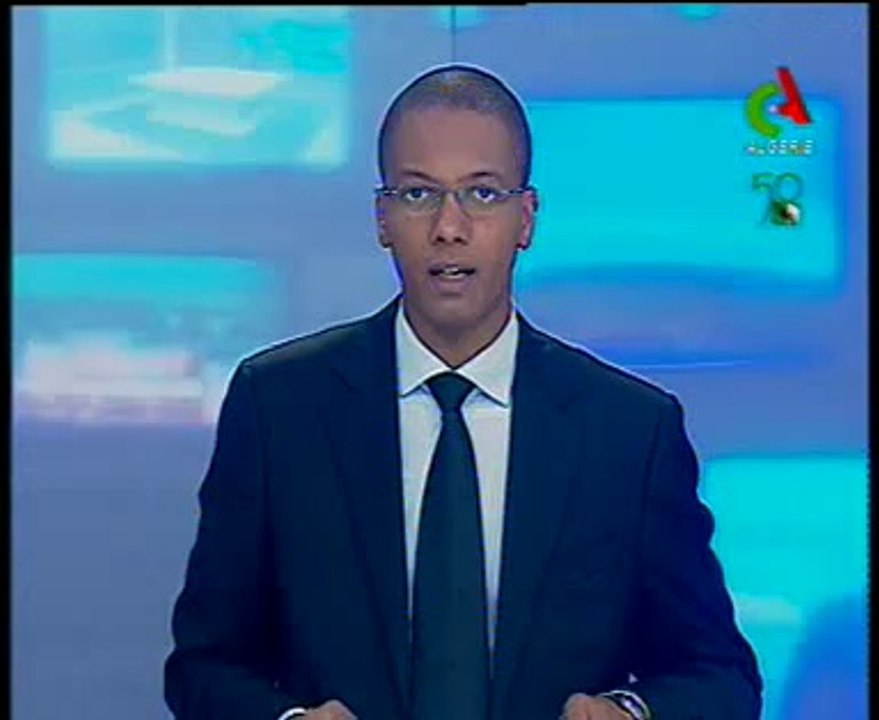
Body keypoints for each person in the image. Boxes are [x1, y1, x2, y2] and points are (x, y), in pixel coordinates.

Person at [164, 64, 763, 720]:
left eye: (482, 193)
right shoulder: (279, 406)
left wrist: (630, 713)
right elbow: (203, 667)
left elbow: (719, 677)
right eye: (419, 194)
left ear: (525, 218)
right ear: (383, 217)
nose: (449, 227)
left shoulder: (627, 430)